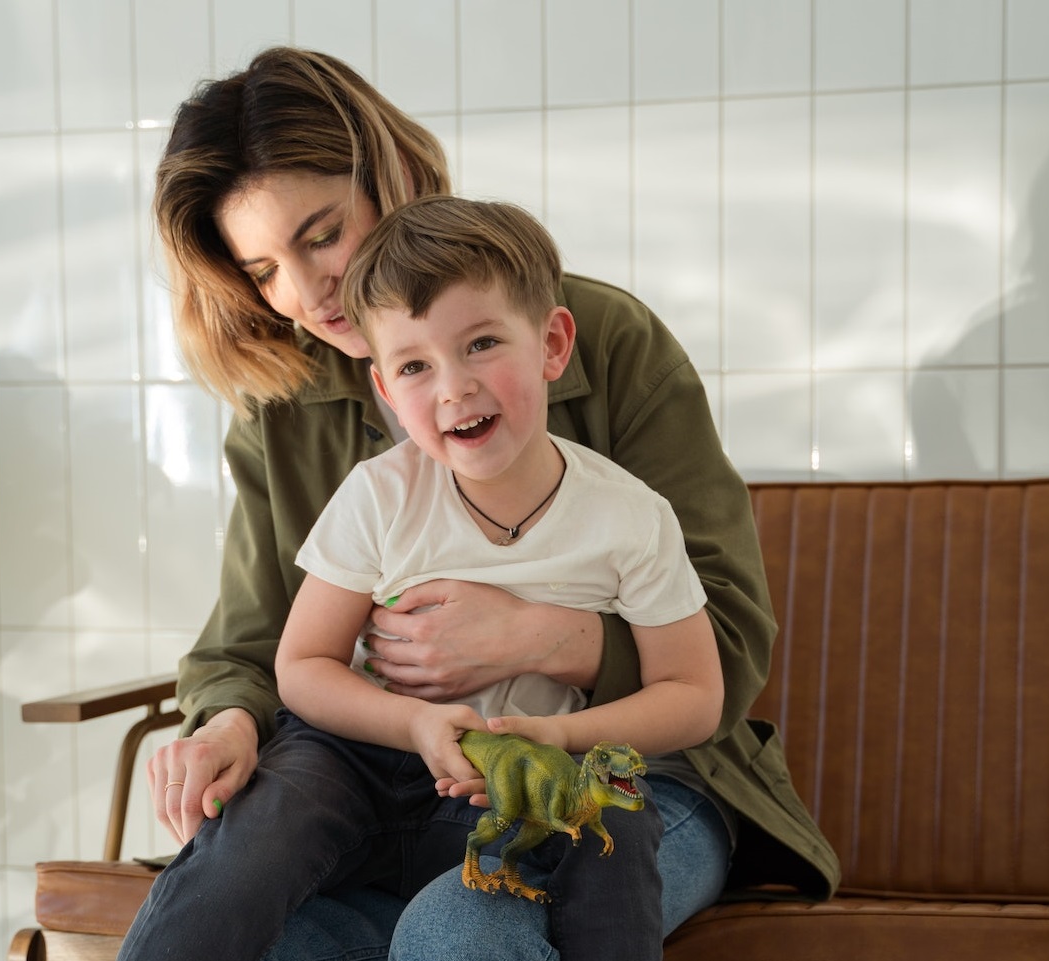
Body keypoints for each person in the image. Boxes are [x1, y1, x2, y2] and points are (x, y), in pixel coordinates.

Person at [130, 45, 839, 961]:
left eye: (320, 234)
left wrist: (537, 637)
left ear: (392, 180)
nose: (307, 294)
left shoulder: (606, 344)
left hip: (641, 777)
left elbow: (724, 650)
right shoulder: (285, 405)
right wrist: (226, 718)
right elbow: (254, 644)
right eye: (264, 269)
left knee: (457, 929)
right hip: (402, 778)